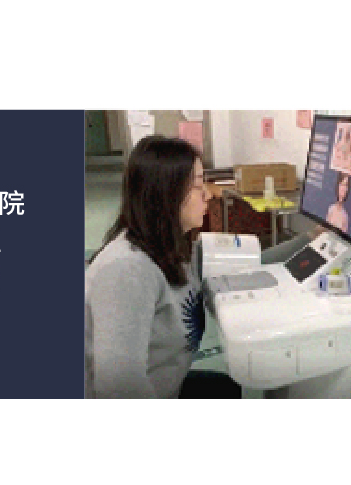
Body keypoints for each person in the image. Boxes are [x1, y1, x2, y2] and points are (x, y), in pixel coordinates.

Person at [84, 135, 242, 398]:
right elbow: (118, 389)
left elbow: (255, 259)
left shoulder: (175, 245)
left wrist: (310, 242)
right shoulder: (128, 270)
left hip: (166, 386)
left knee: (226, 388)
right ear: (166, 193)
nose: (207, 195)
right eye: (198, 184)